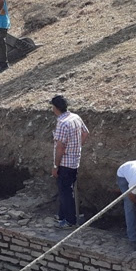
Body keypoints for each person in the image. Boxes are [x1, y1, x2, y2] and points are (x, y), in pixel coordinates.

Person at [51, 95, 90, 229]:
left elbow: (60, 147)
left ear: (55, 108)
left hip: (65, 164)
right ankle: (62, 216)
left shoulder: (62, 123)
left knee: (66, 192)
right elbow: (85, 133)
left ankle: (70, 221)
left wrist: (56, 165)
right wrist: (76, 147)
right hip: (75, 161)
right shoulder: (75, 117)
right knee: (66, 190)